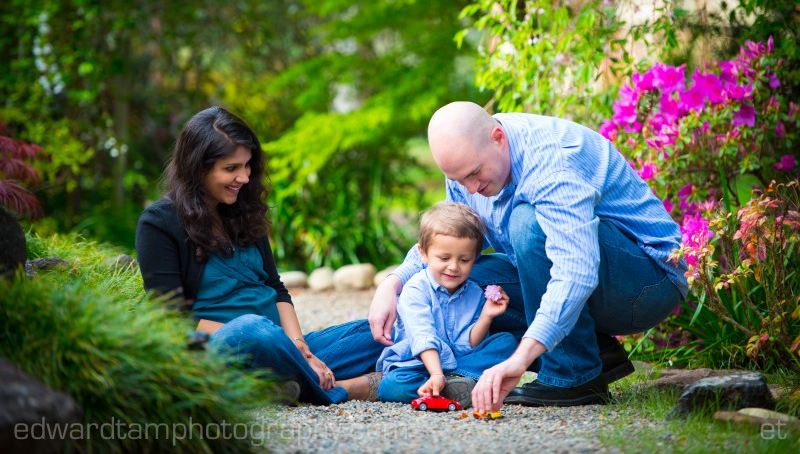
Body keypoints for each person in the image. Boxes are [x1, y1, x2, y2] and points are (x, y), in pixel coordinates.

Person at [368, 101, 688, 412]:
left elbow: (576, 269)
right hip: (598, 285)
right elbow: (448, 238)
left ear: (498, 138)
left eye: (475, 174)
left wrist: (519, 360)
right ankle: (593, 353)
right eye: (458, 180)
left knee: (527, 224)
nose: (471, 188)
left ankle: (571, 376)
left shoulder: (549, 162)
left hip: (646, 285)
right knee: (457, 275)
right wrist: (393, 283)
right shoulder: (470, 169)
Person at [136, 106, 384, 405]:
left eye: (247, 165)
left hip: (281, 346)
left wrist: (301, 349)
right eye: (231, 168)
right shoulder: (159, 223)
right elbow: (173, 319)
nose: (243, 177)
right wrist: (269, 339)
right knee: (252, 329)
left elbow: (277, 289)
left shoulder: (245, 210)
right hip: (225, 347)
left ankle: (279, 383)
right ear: (197, 167)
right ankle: (349, 388)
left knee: (383, 330)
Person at [376, 202, 518, 408]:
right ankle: (463, 384)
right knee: (391, 386)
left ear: (475, 259)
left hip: (459, 361)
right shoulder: (415, 289)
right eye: (444, 258)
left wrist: (487, 316)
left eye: (464, 260)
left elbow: (468, 344)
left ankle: (454, 383)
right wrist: (435, 373)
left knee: (506, 342)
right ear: (423, 254)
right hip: (419, 365)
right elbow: (423, 336)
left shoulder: (474, 292)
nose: (453, 267)